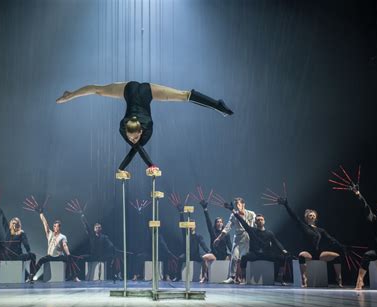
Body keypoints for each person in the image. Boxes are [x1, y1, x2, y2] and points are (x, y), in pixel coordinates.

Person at [56, 81, 233, 174]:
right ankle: (69, 95)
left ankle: (217, 105)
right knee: (98, 89)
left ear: (140, 131)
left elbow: (137, 149)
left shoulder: (146, 129)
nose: (133, 140)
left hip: (142, 90)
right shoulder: (123, 127)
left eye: (135, 137)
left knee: (184, 95)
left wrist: (147, 165)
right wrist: (129, 167)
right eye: (132, 138)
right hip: (130, 88)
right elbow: (136, 148)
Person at [277, 197, 346, 287]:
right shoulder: (304, 226)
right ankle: (304, 279)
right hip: (308, 253)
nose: (312, 216)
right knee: (301, 255)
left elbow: (330, 239)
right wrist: (286, 205)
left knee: (337, 257)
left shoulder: (320, 230)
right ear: (306, 217)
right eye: (310, 215)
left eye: (313, 215)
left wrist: (341, 246)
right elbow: (294, 217)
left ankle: (339, 278)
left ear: (316, 217)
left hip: (319, 253)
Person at [232, 211, 289, 284]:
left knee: (282, 257)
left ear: (264, 221)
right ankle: (243, 278)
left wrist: (283, 250)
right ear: (255, 222)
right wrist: (233, 211)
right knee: (244, 257)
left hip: (267, 254)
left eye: (261, 219)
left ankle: (280, 278)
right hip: (255, 254)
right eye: (258, 220)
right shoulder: (252, 230)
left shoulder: (269, 233)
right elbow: (243, 222)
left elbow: (276, 242)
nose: (260, 221)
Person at [350, 189, 377, 290]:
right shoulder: (374, 219)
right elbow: (366, 208)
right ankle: (359, 281)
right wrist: (359, 195)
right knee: (367, 255)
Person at [214, 197, 256, 284]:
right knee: (234, 257)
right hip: (238, 237)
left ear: (243, 204)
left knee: (244, 258)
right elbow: (227, 227)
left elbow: (253, 226)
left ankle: (243, 278)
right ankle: (232, 277)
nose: (237, 206)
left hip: (248, 237)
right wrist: (218, 238)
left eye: (239, 204)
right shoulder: (234, 215)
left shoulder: (251, 214)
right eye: (236, 204)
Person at [31, 211, 79, 282]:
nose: (55, 228)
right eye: (54, 226)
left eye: (57, 226)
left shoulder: (62, 236)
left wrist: (68, 254)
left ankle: (74, 277)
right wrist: (41, 214)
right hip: (50, 256)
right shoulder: (50, 233)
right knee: (41, 260)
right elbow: (45, 223)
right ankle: (32, 276)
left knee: (70, 260)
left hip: (59, 256)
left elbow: (65, 245)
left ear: (59, 227)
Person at [0, 207, 36, 281]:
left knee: (33, 255)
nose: (14, 225)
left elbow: (26, 243)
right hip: (7, 257)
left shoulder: (21, 233)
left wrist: (28, 251)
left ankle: (31, 275)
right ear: (11, 224)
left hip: (17, 256)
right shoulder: (8, 231)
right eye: (13, 223)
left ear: (18, 224)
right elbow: (4, 220)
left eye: (16, 223)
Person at [200, 199, 231, 282]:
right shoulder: (213, 232)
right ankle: (204, 276)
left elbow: (230, 245)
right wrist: (205, 210)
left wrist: (232, 253)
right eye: (218, 222)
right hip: (215, 255)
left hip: (224, 255)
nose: (219, 223)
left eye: (221, 222)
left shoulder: (226, 234)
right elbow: (208, 223)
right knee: (204, 258)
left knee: (235, 259)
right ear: (215, 223)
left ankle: (234, 277)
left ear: (223, 223)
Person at [80, 214, 118, 279]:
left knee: (115, 256)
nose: (98, 229)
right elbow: (87, 227)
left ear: (101, 229)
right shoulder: (92, 236)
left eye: (99, 227)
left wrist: (113, 248)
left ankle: (116, 274)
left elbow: (110, 244)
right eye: (96, 227)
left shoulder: (104, 237)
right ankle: (78, 276)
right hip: (92, 256)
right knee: (79, 258)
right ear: (94, 229)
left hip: (101, 256)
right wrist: (84, 219)